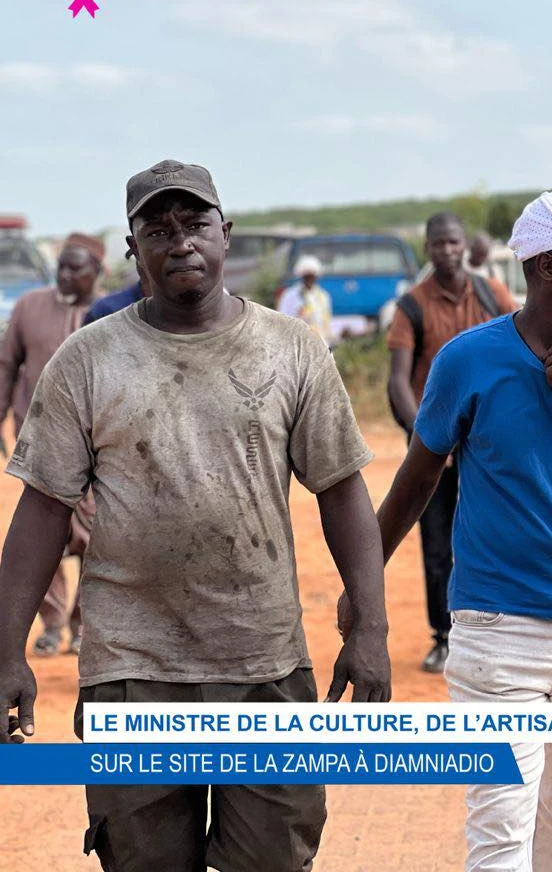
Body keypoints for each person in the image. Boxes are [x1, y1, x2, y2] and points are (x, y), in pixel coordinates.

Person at [0, 159, 391, 872]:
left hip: (264, 664)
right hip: (133, 669)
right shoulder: (86, 360)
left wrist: (371, 625)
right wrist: (6, 648)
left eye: (195, 223)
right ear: (134, 249)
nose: (180, 241)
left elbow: (341, 491)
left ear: (225, 235)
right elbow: (44, 509)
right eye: (159, 228)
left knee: (273, 860)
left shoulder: (292, 349)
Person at [360, 189, 552, 871]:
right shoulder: (469, 360)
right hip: (498, 633)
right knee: (500, 831)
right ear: (547, 265)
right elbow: (419, 475)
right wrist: (363, 581)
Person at [385, 212, 518, 673]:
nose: (447, 251)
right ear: (427, 249)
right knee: (437, 545)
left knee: (498, 534)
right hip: (437, 450)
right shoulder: (411, 307)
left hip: (489, 446)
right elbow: (399, 383)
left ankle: (502, 632)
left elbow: (522, 353)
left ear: (464, 245)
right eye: (438, 243)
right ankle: (442, 637)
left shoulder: (492, 294)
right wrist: (428, 439)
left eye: (453, 242)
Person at [0, 232, 103, 657]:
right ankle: (52, 621)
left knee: (98, 536)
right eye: (61, 265)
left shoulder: (113, 313)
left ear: (97, 273)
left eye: (76, 268)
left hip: (99, 447)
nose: (65, 274)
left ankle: (83, 625)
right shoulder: (29, 307)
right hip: (40, 443)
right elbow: (7, 363)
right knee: (46, 536)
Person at [277, 254, 333, 345]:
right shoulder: (290, 295)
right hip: (297, 343)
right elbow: (282, 319)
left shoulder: (323, 296)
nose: (309, 280)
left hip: (321, 342)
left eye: (312, 276)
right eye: (307, 277)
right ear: (302, 277)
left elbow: (327, 320)